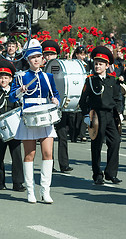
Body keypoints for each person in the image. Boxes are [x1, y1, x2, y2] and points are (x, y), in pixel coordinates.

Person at [9, 39, 61, 203]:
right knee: (30, 154)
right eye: (33, 57)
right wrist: (19, 91)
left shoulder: (48, 76)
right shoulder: (21, 76)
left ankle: (45, 191)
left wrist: (55, 100)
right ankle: (30, 191)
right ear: (27, 59)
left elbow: (56, 94)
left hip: (45, 116)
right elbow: (11, 96)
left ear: (43, 58)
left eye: (39, 56)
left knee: (48, 153)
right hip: (29, 117)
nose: (36, 59)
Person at [79, 46, 122, 185]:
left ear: (107, 65)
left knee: (115, 142)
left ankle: (111, 173)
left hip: (110, 115)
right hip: (96, 115)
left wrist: (120, 112)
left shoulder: (112, 80)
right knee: (97, 145)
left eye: (101, 64)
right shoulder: (90, 80)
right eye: (96, 63)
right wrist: (86, 115)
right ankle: (97, 174)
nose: (97, 66)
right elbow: (83, 101)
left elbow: (117, 98)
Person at [41, 40, 74, 173]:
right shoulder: (39, 70)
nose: (49, 57)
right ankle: (50, 163)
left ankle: (64, 164)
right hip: (45, 107)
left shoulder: (60, 69)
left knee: (62, 135)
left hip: (58, 106)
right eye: (46, 55)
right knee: (48, 136)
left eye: (52, 55)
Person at [0, 59, 25, 191]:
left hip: (14, 128)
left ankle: (18, 183)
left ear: (10, 79)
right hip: (0, 130)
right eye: (1, 78)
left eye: (6, 77)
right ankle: (0, 182)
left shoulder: (15, 93)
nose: (3, 80)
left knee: (16, 156)